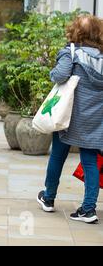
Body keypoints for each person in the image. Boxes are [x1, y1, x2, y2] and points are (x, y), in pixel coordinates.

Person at [37, 15, 103, 224]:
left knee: (58, 155)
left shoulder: (71, 52)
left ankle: (48, 198)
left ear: (76, 32)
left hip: (70, 115)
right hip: (95, 118)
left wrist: (53, 71)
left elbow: (60, 76)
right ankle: (88, 209)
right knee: (90, 161)